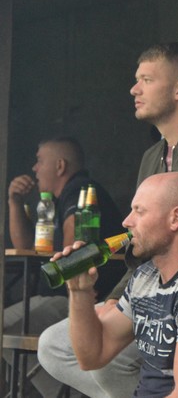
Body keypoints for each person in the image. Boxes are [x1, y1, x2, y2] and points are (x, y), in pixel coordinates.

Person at [39, 42, 178, 398]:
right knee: (54, 345)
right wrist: (117, 296)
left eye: (147, 80)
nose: (134, 89)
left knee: (110, 361)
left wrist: (145, 296)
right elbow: (144, 238)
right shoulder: (153, 154)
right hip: (154, 287)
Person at [57, 172, 178, 397]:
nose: (126, 221)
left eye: (139, 211)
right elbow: (92, 356)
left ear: (175, 219)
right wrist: (80, 290)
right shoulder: (144, 277)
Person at [5, 137, 124, 397]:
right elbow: (25, 245)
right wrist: (14, 201)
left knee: (8, 329)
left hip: (78, 297)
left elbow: (72, 252)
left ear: (60, 166)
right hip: (62, 296)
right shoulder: (55, 200)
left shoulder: (80, 188)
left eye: (39, 161)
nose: (34, 169)